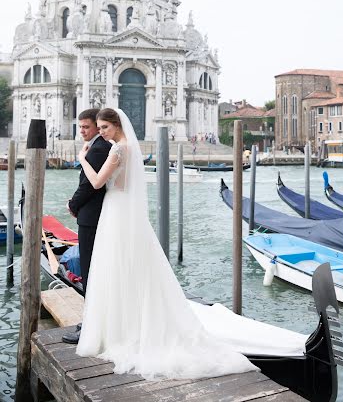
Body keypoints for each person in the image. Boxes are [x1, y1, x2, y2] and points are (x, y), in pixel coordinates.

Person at [76, 108, 256, 379]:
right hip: (123, 209)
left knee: (114, 265)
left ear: (115, 125)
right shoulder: (128, 149)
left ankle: (119, 327)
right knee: (128, 265)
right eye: (98, 127)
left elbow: (98, 181)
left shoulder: (118, 151)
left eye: (103, 127)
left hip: (116, 209)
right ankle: (128, 323)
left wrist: (83, 158)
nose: (100, 132)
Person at [62, 109, 111, 344]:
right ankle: (92, 318)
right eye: (80, 127)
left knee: (90, 269)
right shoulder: (98, 146)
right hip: (94, 215)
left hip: (91, 217)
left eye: (86, 127)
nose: (82, 131)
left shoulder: (99, 148)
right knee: (92, 268)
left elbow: (90, 186)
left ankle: (92, 326)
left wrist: (73, 205)